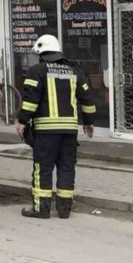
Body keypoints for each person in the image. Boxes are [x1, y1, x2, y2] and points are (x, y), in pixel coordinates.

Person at [16, 34, 95, 220]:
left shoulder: (37, 71)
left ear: (41, 53)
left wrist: (21, 120)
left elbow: (30, 100)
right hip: (69, 132)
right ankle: (64, 210)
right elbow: (88, 100)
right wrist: (89, 122)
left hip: (45, 132)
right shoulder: (75, 71)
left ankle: (41, 209)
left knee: (42, 168)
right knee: (67, 168)